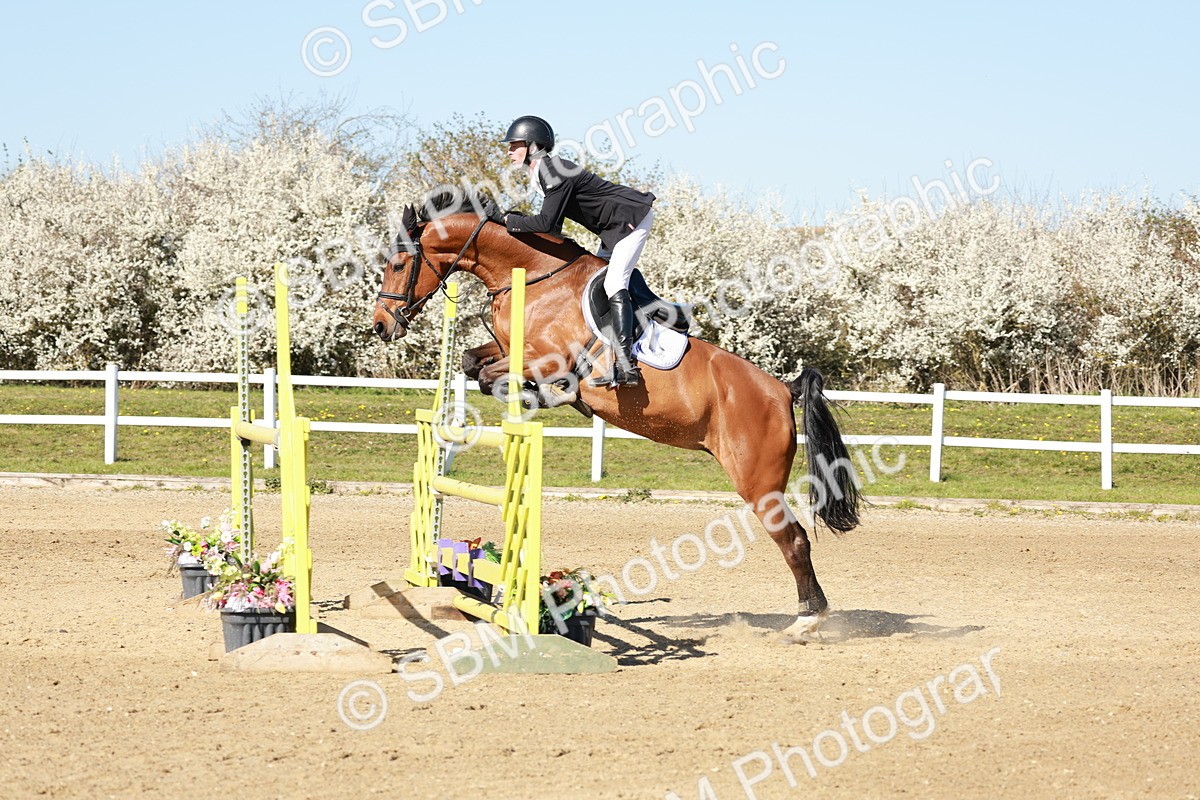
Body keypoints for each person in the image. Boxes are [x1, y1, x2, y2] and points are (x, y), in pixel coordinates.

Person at [484, 115, 656, 388]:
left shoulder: (553, 171)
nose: (508, 150)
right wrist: (511, 220)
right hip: (611, 229)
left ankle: (627, 367)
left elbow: (546, 224)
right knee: (599, 282)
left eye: (514, 144)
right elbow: (551, 230)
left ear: (532, 146)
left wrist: (507, 220)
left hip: (629, 219)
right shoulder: (542, 172)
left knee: (613, 283)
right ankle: (667, 315)